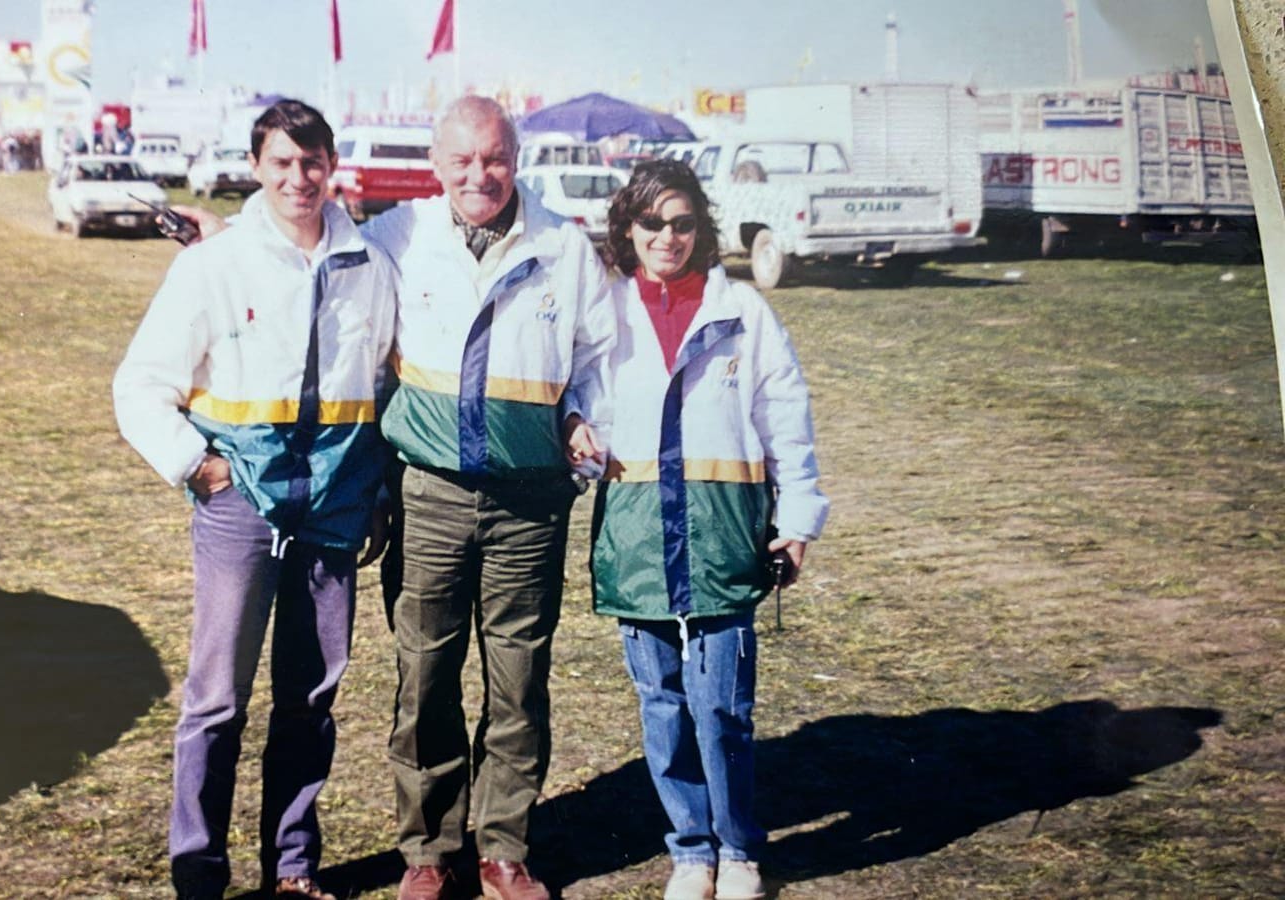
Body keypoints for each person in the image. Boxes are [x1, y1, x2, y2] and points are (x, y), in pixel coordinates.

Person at [112, 99, 398, 900]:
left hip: (333, 513)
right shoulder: (215, 263)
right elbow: (138, 385)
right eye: (281, 164)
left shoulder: (369, 265)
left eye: (311, 164)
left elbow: (380, 384)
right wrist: (199, 468)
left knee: (309, 698)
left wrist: (372, 491)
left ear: (331, 165)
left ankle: (294, 868)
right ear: (256, 167)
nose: (297, 179)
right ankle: (198, 869)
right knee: (217, 698)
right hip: (240, 509)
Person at [365, 96, 616, 900]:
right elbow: (313, 270)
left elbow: (599, 359)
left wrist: (582, 413)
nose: (481, 175)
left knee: (518, 677)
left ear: (518, 159)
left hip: (530, 504)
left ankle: (504, 848)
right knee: (425, 674)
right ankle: (429, 852)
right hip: (429, 495)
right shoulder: (396, 237)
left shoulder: (566, 248)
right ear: (436, 165)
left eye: (496, 158)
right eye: (463, 160)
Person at [590, 159, 829, 900]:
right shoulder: (605, 312)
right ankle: (690, 849)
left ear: (703, 227)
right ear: (628, 229)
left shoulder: (745, 313)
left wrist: (796, 518)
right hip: (635, 533)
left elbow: (784, 417)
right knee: (660, 701)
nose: (668, 236)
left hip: (724, 531)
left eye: (683, 222)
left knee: (721, 702)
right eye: (653, 223)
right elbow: (580, 405)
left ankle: (738, 847)